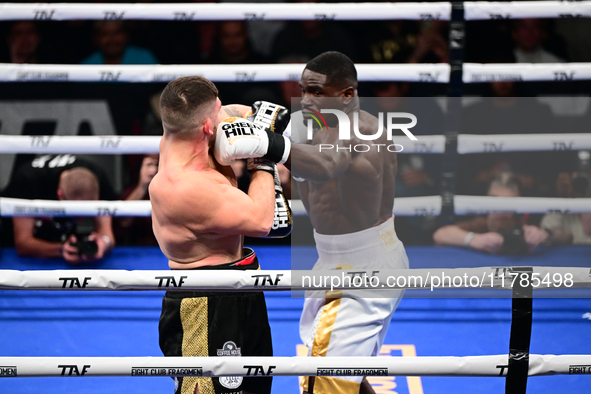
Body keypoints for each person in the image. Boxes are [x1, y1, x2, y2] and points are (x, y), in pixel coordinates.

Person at [150, 76, 292, 394]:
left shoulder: (183, 132)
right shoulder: (187, 186)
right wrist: (263, 158)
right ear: (206, 128)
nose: (224, 115)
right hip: (206, 301)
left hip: (239, 284)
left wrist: (255, 118)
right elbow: (263, 221)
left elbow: (234, 111)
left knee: (255, 388)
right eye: (217, 115)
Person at [286, 51, 410, 394]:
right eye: (303, 90)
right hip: (335, 258)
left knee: (323, 381)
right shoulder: (314, 127)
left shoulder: (359, 128)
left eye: (316, 92)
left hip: (360, 267)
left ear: (347, 95)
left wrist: (273, 148)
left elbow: (328, 165)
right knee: (345, 375)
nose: (305, 100)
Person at [2, 154, 116, 264]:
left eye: (87, 212)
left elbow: (107, 233)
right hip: (15, 252)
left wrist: (104, 243)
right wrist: (59, 249)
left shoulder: (96, 179)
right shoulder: (28, 181)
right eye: (76, 213)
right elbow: (23, 243)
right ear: (60, 195)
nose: (81, 220)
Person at [433, 172, 552, 254]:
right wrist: (474, 240)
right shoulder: (481, 224)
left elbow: (566, 235)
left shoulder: (525, 226)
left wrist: (544, 235)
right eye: (495, 202)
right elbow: (440, 234)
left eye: (508, 203)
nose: (501, 210)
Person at [114, 154, 159, 245]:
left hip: (168, 249)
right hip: (137, 247)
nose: (153, 169)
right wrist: (142, 186)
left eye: (157, 164)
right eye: (149, 164)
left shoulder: (174, 192)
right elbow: (123, 223)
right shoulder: (130, 192)